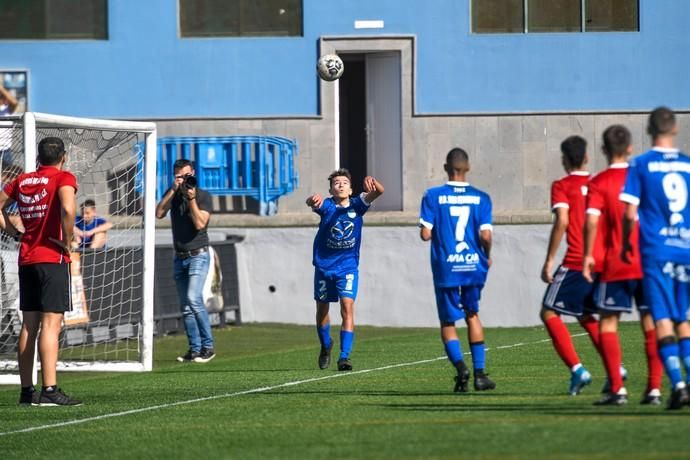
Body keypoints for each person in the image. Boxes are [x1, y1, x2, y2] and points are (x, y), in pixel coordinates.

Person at [583, 125, 663, 406]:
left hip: (615, 263)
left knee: (608, 324)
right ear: (630, 148)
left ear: (604, 150)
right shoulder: (644, 177)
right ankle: (654, 389)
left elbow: (591, 221)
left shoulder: (598, 182)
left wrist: (588, 255)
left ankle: (618, 389)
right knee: (652, 324)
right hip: (647, 262)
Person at [0, 136, 81, 406]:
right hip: (52, 257)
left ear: (38, 157)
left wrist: (13, 232)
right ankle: (49, 389)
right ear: (63, 157)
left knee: (29, 326)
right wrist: (68, 240)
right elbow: (68, 208)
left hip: (27, 258)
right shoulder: (63, 177)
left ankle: (26, 391)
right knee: (51, 325)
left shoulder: (23, 180)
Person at [621, 107, 690, 410]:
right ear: (675, 128)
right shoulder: (688, 166)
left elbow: (629, 211)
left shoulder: (641, 165)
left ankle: (678, 384)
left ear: (648, 131)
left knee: (662, 319)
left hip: (656, 251)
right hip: (686, 251)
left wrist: (626, 242)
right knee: (684, 320)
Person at [419, 148, 496, 393]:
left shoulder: (433, 196)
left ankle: (461, 368)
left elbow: (425, 233)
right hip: (473, 264)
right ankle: (480, 374)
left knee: (448, 320)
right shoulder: (481, 197)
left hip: (446, 266)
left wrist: (435, 230)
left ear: (445, 168)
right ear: (468, 168)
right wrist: (487, 256)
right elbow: (486, 234)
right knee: (472, 314)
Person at [539, 135, 605, 396]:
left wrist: (549, 261)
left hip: (576, 260)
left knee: (548, 312)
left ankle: (578, 370)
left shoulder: (562, 185)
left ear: (564, 161)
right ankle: (616, 367)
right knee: (585, 313)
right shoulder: (598, 183)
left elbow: (563, 221)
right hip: (601, 262)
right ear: (587, 158)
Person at [306, 168, 383, 371]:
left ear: (350, 189)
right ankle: (325, 345)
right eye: (336, 183)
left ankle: (344, 357)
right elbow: (313, 204)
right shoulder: (328, 206)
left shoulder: (358, 205)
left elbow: (379, 192)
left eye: (344, 182)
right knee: (322, 311)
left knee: (347, 308)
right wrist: (311, 201)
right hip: (324, 267)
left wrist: (374, 183)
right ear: (331, 189)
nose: (340, 184)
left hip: (347, 267)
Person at [155, 159, 216, 364]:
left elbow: (200, 224)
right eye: (179, 176)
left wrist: (191, 199)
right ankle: (194, 349)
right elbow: (159, 214)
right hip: (179, 257)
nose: (183, 180)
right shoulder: (172, 193)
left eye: (186, 176)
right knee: (186, 306)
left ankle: (208, 347)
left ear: (194, 174)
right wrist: (173, 191)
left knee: (193, 298)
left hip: (198, 254)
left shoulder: (203, 196)